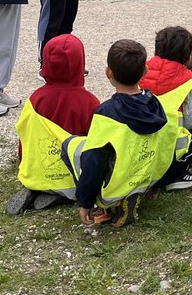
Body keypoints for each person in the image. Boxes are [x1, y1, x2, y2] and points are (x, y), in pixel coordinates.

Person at [61, 40, 180, 228]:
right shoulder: (156, 105)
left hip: (119, 183)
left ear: (108, 72)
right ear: (145, 71)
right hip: (148, 177)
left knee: (71, 145)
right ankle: (137, 193)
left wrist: (86, 202)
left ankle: (109, 204)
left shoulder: (106, 113)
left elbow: (94, 161)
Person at [6, 34, 101, 215]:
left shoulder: (35, 99)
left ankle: (36, 186)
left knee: (41, 168)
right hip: (70, 176)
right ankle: (61, 192)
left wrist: (23, 163)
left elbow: (24, 136)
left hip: (35, 169)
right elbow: (95, 145)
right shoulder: (89, 102)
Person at [141, 26, 192, 188]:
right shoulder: (189, 81)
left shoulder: (140, 70)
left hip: (141, 152)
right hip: (169, 157)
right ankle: (177, 174)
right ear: (188, 59)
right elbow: (191, 122)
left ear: (155, 51)